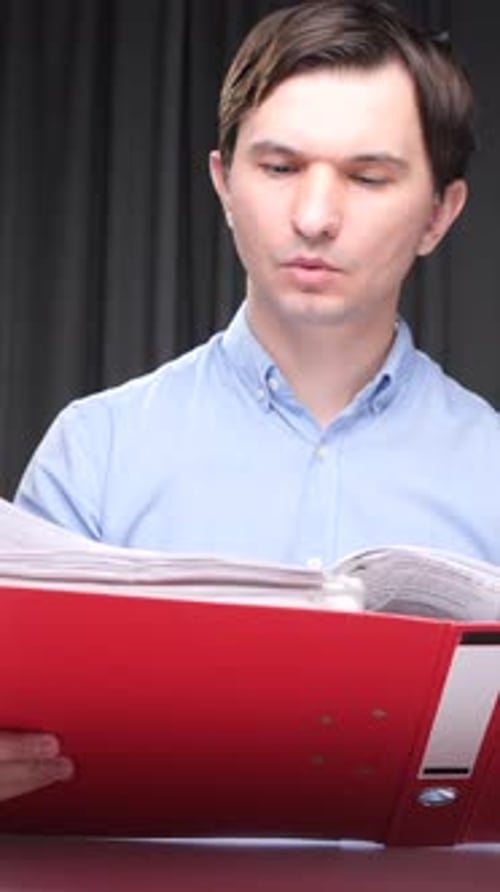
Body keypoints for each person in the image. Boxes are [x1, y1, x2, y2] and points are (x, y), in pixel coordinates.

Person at [4, 0, 499, 806]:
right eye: (278, 168)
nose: (314, 217)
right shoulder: (94, 455)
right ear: (222, 183)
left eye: (368, 177)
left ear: (439, 214)